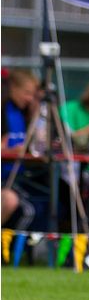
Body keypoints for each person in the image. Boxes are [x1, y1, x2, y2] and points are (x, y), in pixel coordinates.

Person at [1, 70, 40, 232]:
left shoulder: (24, 113)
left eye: (33, 94)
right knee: (16, 204)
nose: (29, 98)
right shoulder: (4, 110)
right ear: (13, 88)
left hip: (21, 176)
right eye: (26, 93)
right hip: (6, 178)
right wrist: (10, 150)